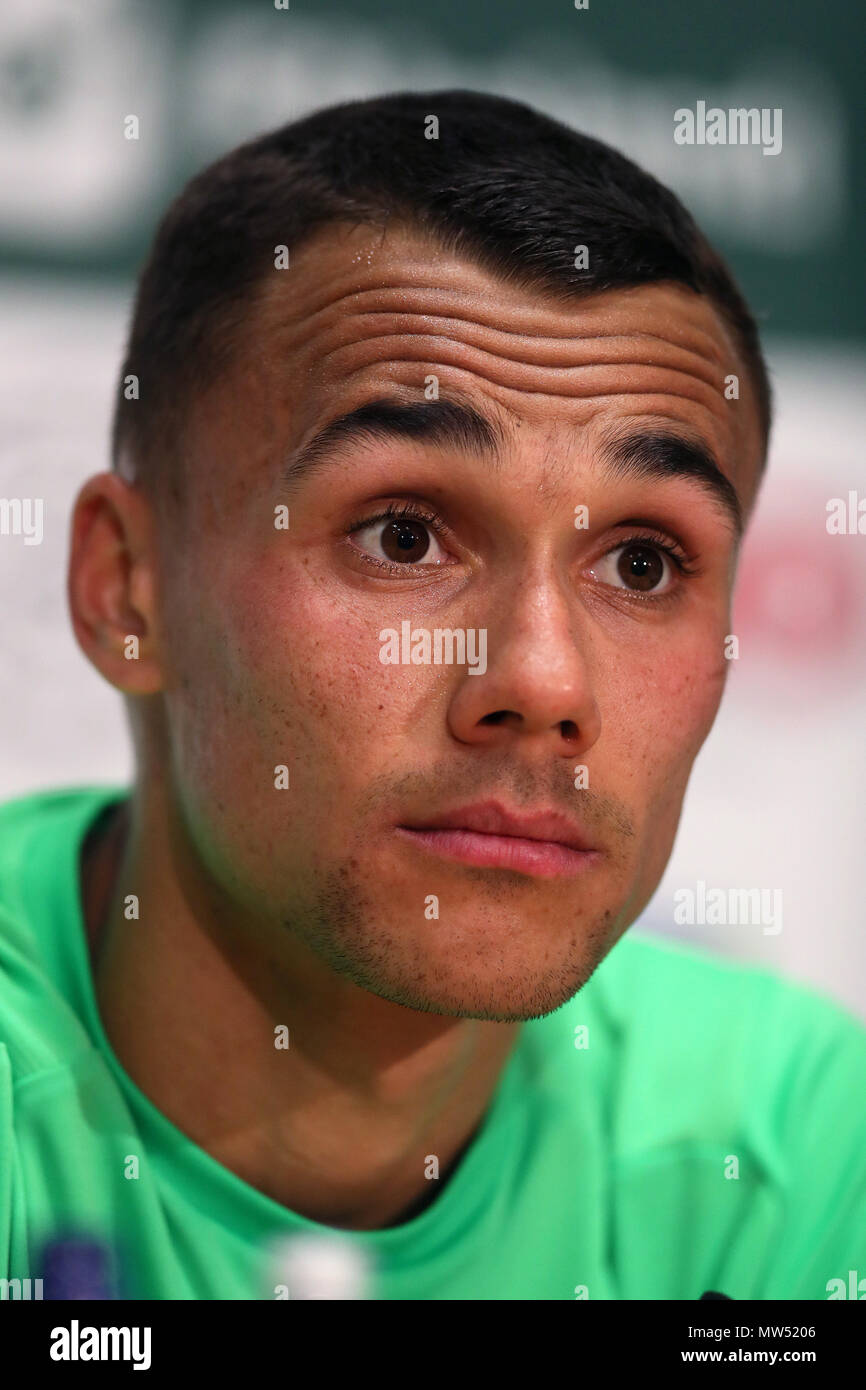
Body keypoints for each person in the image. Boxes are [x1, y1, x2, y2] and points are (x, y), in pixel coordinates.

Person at [1, 90, 863, 1301]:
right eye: (403, 536)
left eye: (640, 562)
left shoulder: (780, 1144)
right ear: (126, 588)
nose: (544, 684)